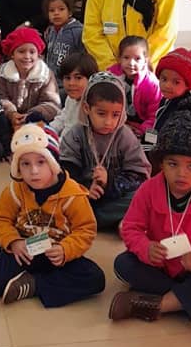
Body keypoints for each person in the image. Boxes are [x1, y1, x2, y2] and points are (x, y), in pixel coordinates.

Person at [110, 111, 191, 331]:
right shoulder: (148, 190)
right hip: (158, 267)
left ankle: (156, 305)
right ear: (161, 164)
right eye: (173, 164)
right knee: (123, 264)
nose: (181, 174)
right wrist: (146, 248)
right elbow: (130, 228)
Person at [0, 124, 106, 307]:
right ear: (17, 167)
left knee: (95, 279)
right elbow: (0, 219)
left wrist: (65, 250)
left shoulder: (73, 195)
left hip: (57, 253)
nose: (34, 171)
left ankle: (34, 285)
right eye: (25, 164)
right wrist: (13, 241)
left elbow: (86, 230)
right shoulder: (15, 190)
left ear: (53, 163)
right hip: (25, 249)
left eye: (41, 162)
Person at [60, 72, 150, 231]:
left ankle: (87, 219)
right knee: (57, 193)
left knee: (144, 196)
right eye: (101, 114)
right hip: (84, 195)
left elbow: (139, 175)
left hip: (115, 196)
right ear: (87, 108)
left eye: (115, 115)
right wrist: (85, 187)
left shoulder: (125, 136)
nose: (108, 122)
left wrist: (110, 181)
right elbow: (66, 171)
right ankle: (113, 220)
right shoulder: (76, 134)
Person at [0, 26, 60, 129]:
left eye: (32, 52)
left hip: (37, 123)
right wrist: (12, 113)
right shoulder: (2, 73)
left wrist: (31, 116)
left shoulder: (45, 74)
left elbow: (52, 103)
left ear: (38, 55)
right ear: (12, 54)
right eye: (21, 51)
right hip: (7, 121)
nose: (27, 56)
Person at [147, 48, 191, 164]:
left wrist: (150, 153)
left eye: (176, 82)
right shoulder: (166, 100)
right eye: (164, 79)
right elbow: (156, 126)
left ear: (187, 85)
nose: (167, 85)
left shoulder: (188, 109)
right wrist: (145, 143)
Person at [106, 35, 161, 138]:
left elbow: (154, 116)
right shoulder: (110, 77)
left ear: (145, 60)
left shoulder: (152, 84)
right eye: (126, 58)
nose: (131, 63)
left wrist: (141, 131)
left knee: (152, 140)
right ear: (119, 59)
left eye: (137, 58)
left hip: (143, 127)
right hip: (119, 124)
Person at [50, 51, 98, 138]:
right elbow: (62, 118)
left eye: (78, 78)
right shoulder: (70, 98)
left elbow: (73, 137)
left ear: (91, 79)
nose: (71, 83)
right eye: (67, 78)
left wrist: (53, 143)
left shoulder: (91, 106)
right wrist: (46, 131)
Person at [43, 0, 83, 90]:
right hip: (51, 82)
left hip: (70, 84)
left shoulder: (78, 31)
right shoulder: (50, 31)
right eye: (52, 10)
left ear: (70, 12)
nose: (56, 13)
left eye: (61, 9)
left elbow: (84, 57)